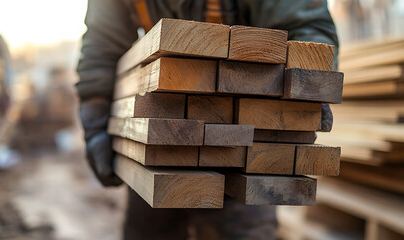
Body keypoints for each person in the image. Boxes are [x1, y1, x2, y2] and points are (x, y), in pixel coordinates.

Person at [76, 1, 338, 239]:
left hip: (242, 155)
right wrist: (96, 120)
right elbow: (103, 45)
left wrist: (310, 89)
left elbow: (305, 23)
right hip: (155, 145)